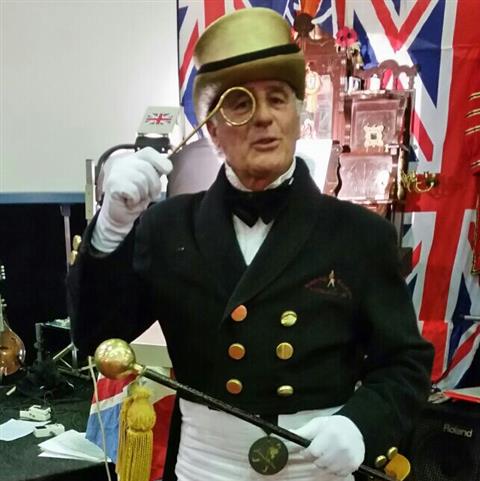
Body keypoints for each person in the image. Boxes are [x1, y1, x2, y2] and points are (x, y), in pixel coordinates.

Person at [67, 7, 434, 481]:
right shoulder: (167, 227)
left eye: (278, 99)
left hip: (316, 469)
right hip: (205, 467)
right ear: (212, 130)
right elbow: (96, 337)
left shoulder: (359, 234)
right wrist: (110, 229)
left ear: (299, 117)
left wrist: (361, 425)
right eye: (240, 104)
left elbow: (405, 362)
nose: (263, 117)